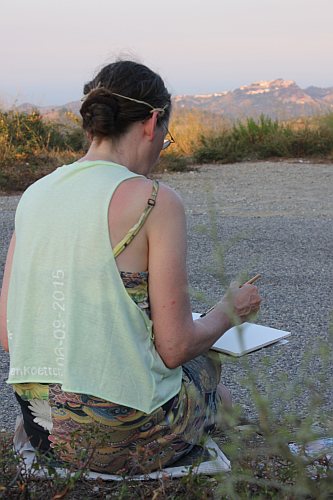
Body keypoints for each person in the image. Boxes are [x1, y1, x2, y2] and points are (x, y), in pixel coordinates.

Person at [0, 60, 261, 474]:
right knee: (208, 370)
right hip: (128, 442)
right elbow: (174, 348)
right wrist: (229, 310)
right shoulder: (154, 201)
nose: (161, 146)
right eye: (165, 137)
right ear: (151, 122)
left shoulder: (34, 195)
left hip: (44, 430)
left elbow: (11, 337)